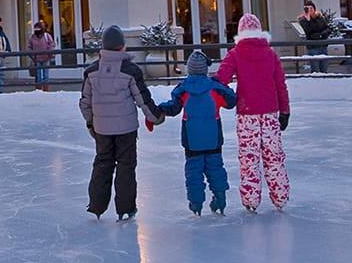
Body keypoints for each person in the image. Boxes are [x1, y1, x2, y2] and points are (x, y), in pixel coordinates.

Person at [79, 25, 164, 221]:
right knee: (126, 166)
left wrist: (91, 123)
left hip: (102, 129)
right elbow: (143, 99)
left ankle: (97, 205)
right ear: (122, 47)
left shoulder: (91, 72)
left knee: (102, 163)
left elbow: (85, 103)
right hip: (126, 129)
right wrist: (156, 117)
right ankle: (125, 208)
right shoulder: (130, 70)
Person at [215, 13, 291, 212]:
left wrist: (225, 98)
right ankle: (280, 196)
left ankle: (250, 199)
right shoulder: (271, 54)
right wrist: (285, 110)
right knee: (273, 156)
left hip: (247, 113)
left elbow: (221, 79)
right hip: (270, 113)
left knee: (249, 158)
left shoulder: (235, 53)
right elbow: (280, 85)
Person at [159, 50, 236, 216]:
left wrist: (159, 109)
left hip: (192, 140)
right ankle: (220, 198)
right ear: (205, 70)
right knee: (216, 168)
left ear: (189, 69)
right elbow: (231, 101)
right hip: (213, 138)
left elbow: (173, 108)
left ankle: (196, 203)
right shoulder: (215, 88)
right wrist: (221, 84)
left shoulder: (183, 89)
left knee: (194, 171)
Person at [297, 1, 329, 73]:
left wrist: (321, 34)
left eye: (311, 8)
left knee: (324, 69)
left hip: (323, 46)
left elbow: (327, 29)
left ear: (314, 9)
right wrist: (309, 20)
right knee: (315, 70)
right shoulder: (303, 20)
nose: (310, 10)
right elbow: (309, 32)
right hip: (313, 47)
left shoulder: (320, 18)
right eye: (307, 8)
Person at [28, 20, 55, 91]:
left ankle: (46, 89)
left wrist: (49, 53)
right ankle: (38, 89)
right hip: (36, 58)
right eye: (36, 29)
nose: (37, 31)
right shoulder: (32, 37)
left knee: (46, 74)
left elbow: (52, 44)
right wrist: (33, 56)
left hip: (46, 58)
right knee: (38, 75)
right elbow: (29, 47)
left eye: (38, 29)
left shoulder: (47, 36)